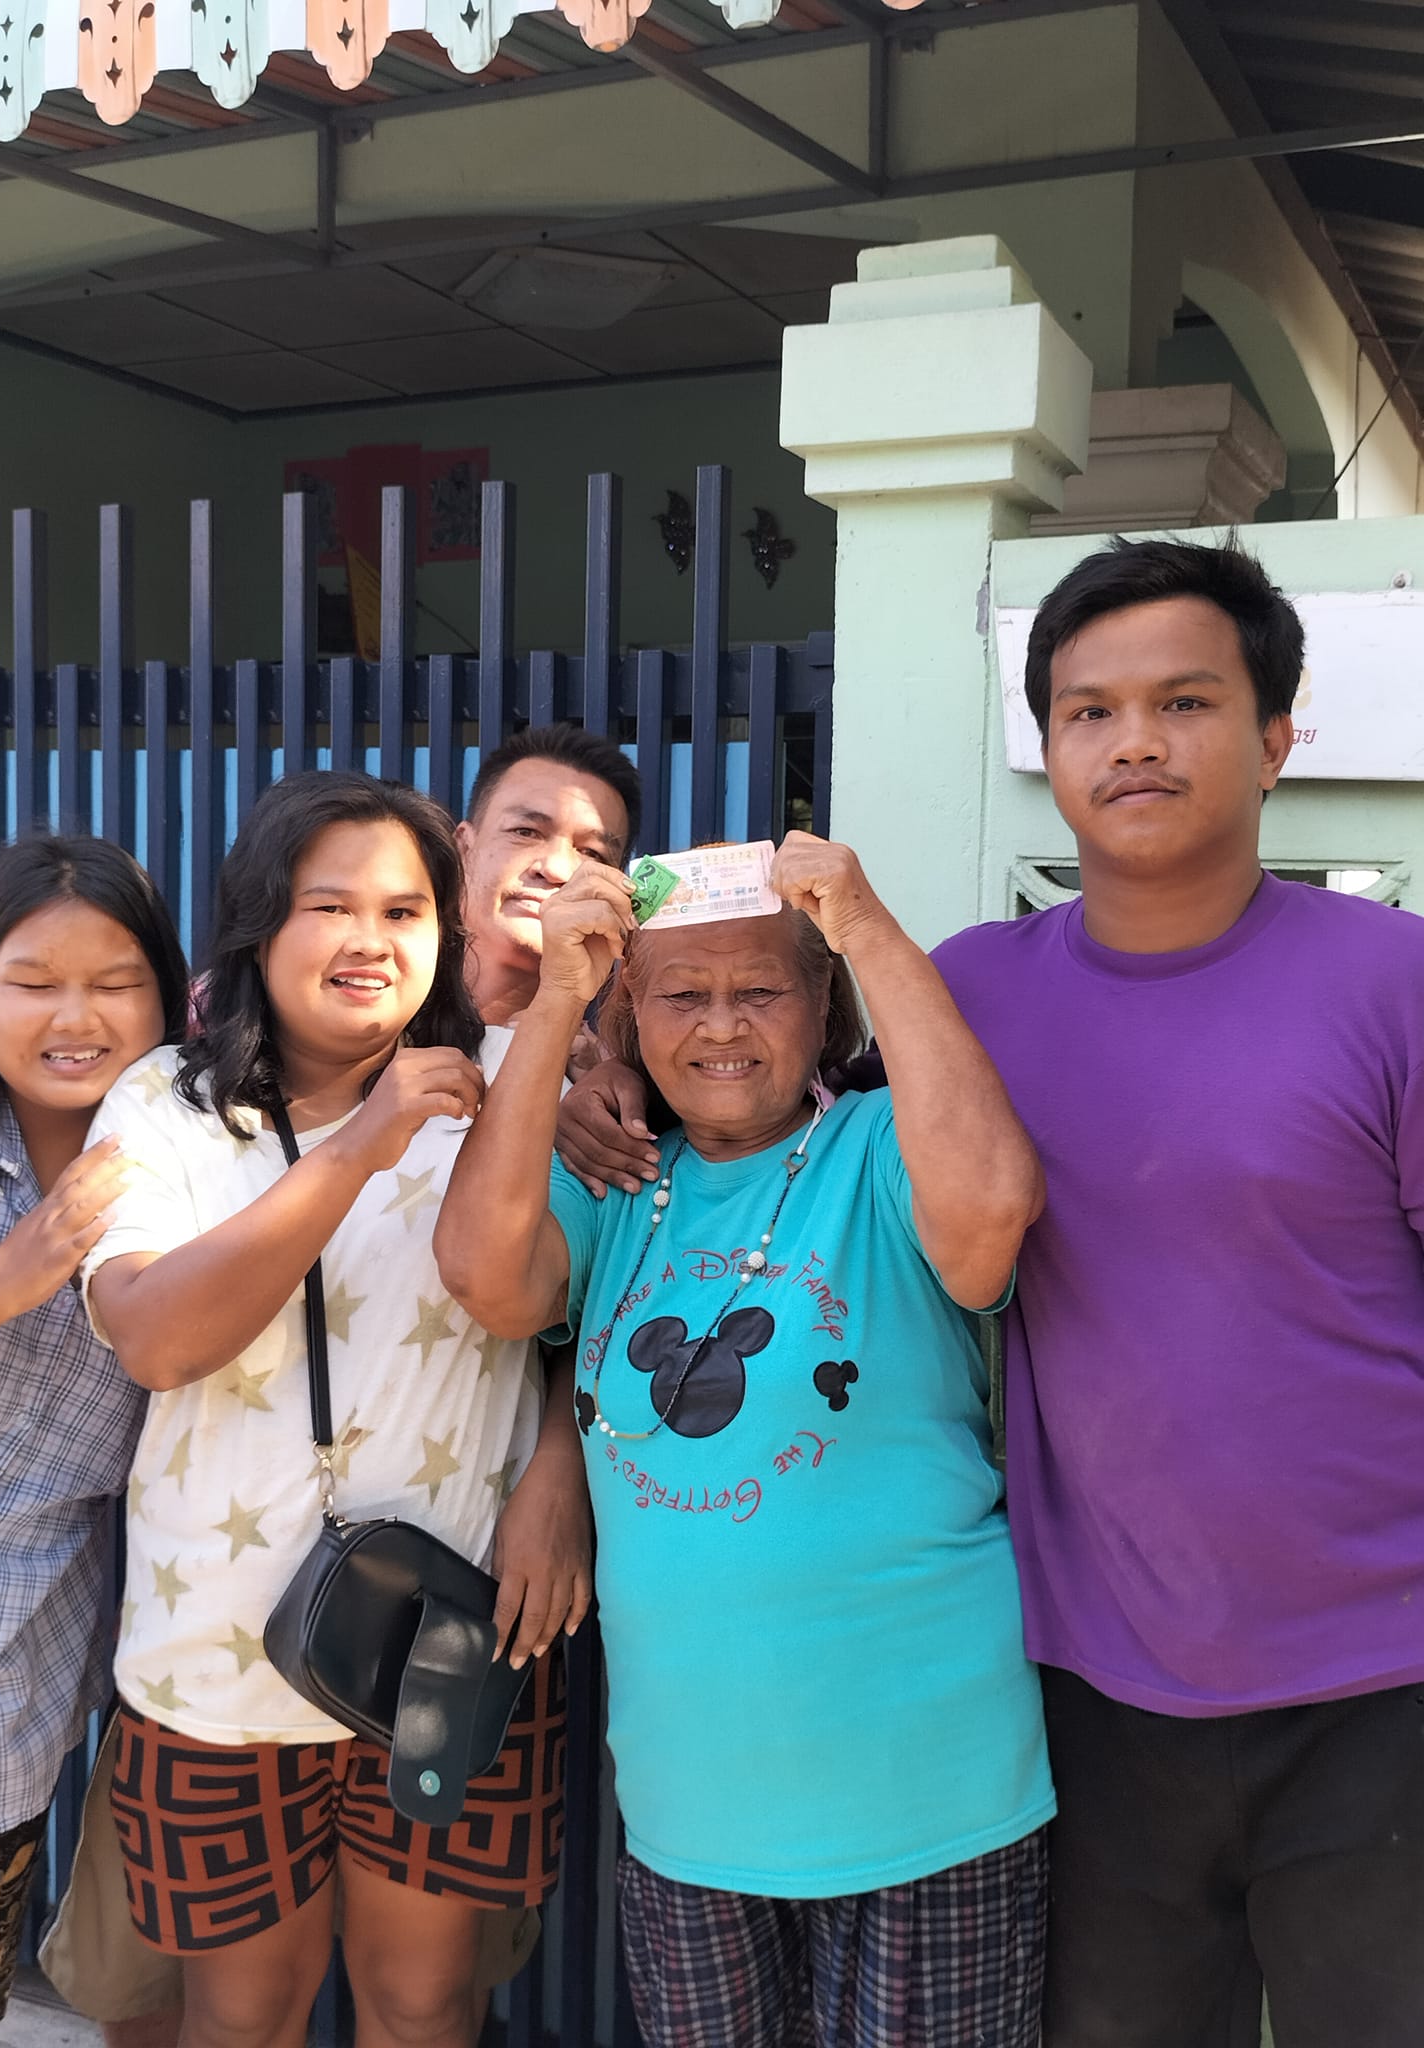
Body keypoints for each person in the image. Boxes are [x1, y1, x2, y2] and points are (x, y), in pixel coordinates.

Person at [565, 536, 1424, 2048]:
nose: (1135, 741)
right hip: (1090, 1675)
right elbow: (767, 1133)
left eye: (1185, 702)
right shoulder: (962, 992)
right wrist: (588, 1069)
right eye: (1090, 711)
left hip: (1382, 1676)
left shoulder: (1393, 980)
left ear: (1279, 735)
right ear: (1045, 748)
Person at [435, 832, 1055, 2048]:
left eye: (763, 988)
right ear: (634, 1012)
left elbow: (991, 1212)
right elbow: (483, 1275)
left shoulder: (879, 1145)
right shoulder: (616, 1178)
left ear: (823, 1008)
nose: (722, 1025)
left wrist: (866, 926)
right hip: (693, 1809)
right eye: (682, 994)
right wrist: (559, 1002)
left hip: (933, 1791)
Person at [83, 771, 588, 2048]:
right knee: (242, 2013)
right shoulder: (167, 1102)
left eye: (405, 911)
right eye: (332, 906)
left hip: (449, 1636)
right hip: (218, 1652)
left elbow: (587, 1311)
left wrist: (561, 1461)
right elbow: (156, 1338)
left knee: (423, 2002)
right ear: (262, 921)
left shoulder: (513, 1084)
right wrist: (363, 1142)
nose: (371, 940)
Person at [0, 835, 188, 2048]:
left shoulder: (194, 1162)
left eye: (115, 982)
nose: (76, 1016)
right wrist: (12, 1274)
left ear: (167, 995)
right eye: (33, 980)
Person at [456, 722, 641, 1042]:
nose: (556, 870)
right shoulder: (375, 1032)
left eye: (591, 852)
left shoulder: (605, 1068)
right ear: (463, 848)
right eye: (525, 832)